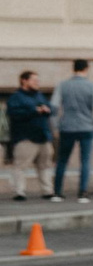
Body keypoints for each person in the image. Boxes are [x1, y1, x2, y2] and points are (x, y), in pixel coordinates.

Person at [51, 58, 93, 202]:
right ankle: (83, 192)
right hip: (86, 127)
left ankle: (57, 192)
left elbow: (54, 107)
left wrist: (56, 125)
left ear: (73, 68)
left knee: (62, 160)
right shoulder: (92, 86)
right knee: (85, 161)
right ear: (86, 68)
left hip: (67, 127)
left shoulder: (63, 85)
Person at [7, 70, 52, 201]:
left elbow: (49, 108)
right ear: (24, 81)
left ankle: (47, 191)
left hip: (43, 136)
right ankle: (19, 192)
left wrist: (47, 109)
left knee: (45, 165)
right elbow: (14, 114)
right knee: (20, 166)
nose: (37, 83)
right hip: (25, 137)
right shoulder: (16, 97)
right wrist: (34, 110)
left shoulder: (39, 95)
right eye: (34, 80)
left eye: (37, 80)